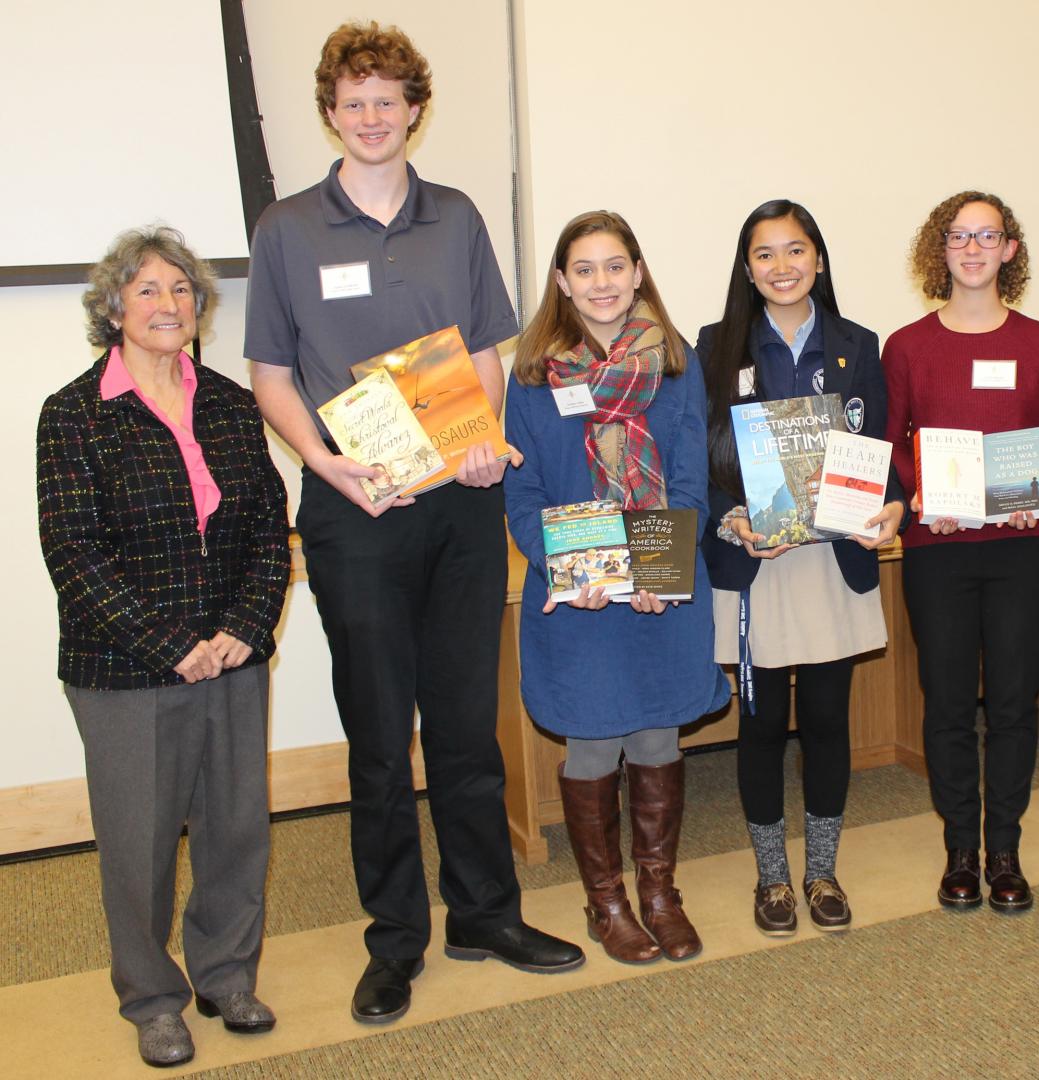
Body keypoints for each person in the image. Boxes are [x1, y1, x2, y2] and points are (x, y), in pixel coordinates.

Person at [244, 21, 582, 1026]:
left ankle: (486, 911)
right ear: (330, 114)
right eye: (353, 101)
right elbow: (269, 374)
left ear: (414, 108)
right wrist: (328, 467)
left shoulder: (458, 216)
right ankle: (394, 941)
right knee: (381, 740)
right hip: (355, 517)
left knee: (469, 727)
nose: (372, 116)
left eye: (388, 98)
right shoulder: (286, 230)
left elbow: (487, 346)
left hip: (461, 509)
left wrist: (478, 437)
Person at [37, 227, 289, 1068]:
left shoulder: (227, 402)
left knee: (235, 828)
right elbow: (73, 551)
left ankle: (225, 974)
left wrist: (244, 630)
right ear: (114, 308)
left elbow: (263, 526)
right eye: (147, 290)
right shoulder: (74, 414)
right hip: (125, 670)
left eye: (180, 290)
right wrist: (169, 644)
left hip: (231, 654)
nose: (167, 304)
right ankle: (151, 997)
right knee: (139, 840)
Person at [506, 210, 730, 964]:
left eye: (615, 266)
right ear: (563, 283)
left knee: (659, 733)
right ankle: (606, 901)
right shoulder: (534, 373)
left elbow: (692, 477)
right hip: (579, 596)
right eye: (584, 269)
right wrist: (569, 573)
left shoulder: (676, 362)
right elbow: (524, 491)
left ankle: (660, 891)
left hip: (660, 590)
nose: (601, 282)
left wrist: (659, 575)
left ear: (637, 272)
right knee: (595, 743)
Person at [698, 199, 905, 936]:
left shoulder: (858, 344)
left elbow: (884, 449)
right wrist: (733, 517)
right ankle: (772, 879)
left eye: (795, 251)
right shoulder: (716, 346)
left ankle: (821, 871)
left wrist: (896, 504)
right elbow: (701, 460)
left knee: (825, 722)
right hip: (756, 562)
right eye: (765, 254)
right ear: (746, 268)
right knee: (758, 728)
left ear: (818, 259)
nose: (781, 267)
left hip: (830, 563)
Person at [884, 191, 1039, 913]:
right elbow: (894, 442)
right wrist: (924, 497)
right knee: (945, 702)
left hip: (1022, 546)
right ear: (941, 251)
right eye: (958, 236)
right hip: (937, 548)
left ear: (1010, 250)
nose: (972, 248)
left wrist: (1031, 490)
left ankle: (1005, 850)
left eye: (987, 235)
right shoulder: (905, 346)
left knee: (1012, 701)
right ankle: (959, 849)